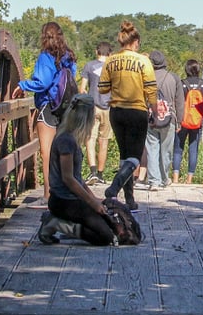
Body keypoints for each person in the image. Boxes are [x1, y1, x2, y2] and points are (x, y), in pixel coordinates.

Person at [36, 94, 114, 246]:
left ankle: (68, 226)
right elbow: (68, 179)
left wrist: (96, 200)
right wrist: (91, 202)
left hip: (72, 199)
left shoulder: (72, 138)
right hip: (63, 200)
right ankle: (55, 224)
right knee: (104, 236)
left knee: (107, 221)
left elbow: (78, 178)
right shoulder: (66, 140)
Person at [12, 21, 77, 204]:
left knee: (47, 152)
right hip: (66, 107)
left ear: (44, 37)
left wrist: (22, 85)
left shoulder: (45, 57)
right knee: (65, 150)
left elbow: (43, 82)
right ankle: (67, 191)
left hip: (48, 107)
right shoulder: (69, 56)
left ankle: (48, 195)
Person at [98, 21, 157, 211]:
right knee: (135, 158)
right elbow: (151, 90)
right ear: (136, 41)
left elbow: (103, 88)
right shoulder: (143, 61)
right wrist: (155, 111)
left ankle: (130, 199)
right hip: (137, 111)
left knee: (124, 156)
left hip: (116, 112)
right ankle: (114, 187)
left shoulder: (111, 60)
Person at [143, 50, 184, 189]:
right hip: (169, 117)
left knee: (152, 148)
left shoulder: (146, 77)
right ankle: (164, 178)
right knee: (166, 151)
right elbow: (179, 101)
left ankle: (154, 180)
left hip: (150, 117)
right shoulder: (174, 77)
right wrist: (180, 120)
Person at [79, 41, 113, 185]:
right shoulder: (113, 66)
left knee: (90, 139)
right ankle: (100, 174)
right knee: (103, 141)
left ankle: (92, 172)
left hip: (92, 107)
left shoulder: (89, 65)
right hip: (108, 108)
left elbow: (82, 89)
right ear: (110, 53)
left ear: (96, 51)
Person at [173, 59, 203, 184]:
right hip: (197, 121)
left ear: (186, 70)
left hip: (183, 120)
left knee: (178, 149)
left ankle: (175, 179)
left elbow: (177, 101)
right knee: (193, 149)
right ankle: (189, 180)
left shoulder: (182, 83)